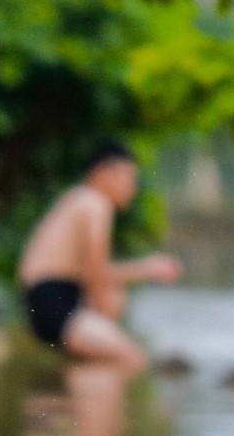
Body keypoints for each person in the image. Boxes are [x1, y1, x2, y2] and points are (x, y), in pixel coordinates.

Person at [17, 140, 184, 370]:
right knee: (132, 360)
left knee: (113, 314)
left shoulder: (78, 199)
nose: (132, 188)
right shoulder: (95, 202)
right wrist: (148, 269)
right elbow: (97, 274)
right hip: (53, 301)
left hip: (48, 301)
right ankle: (99, 404)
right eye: (129, 178)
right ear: (102, 173)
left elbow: (89, 273)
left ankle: (78, 401)